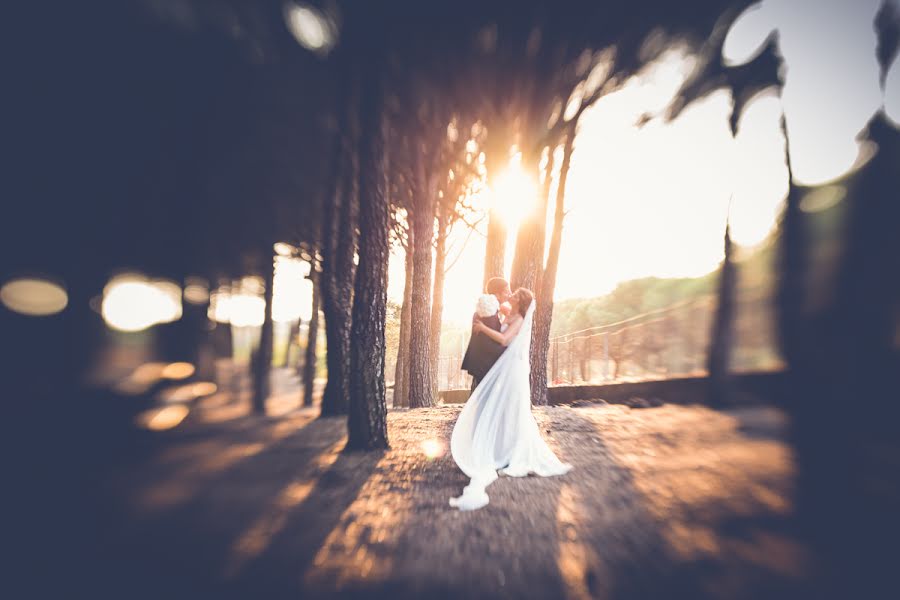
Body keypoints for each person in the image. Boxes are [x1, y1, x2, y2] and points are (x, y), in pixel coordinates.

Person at [449, 288, 572, 511]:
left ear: (521, 303)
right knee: (504, 409)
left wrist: (482, 328)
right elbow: (501, 317)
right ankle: (503, 449)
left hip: (513, 369)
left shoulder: (521, 318)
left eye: (514, 297)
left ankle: (515, 451)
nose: (510, 297)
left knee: (513, 409)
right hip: (504, 367)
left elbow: (505, 340)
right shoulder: (511, 315)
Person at [460, 277, 510, 390]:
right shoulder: (488, 311)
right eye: (506, 291)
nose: (509, 294)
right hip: (485, 362)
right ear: (497, 294)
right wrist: (507, 351)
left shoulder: (491, 309)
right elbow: (487, 341)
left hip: (482, 361)